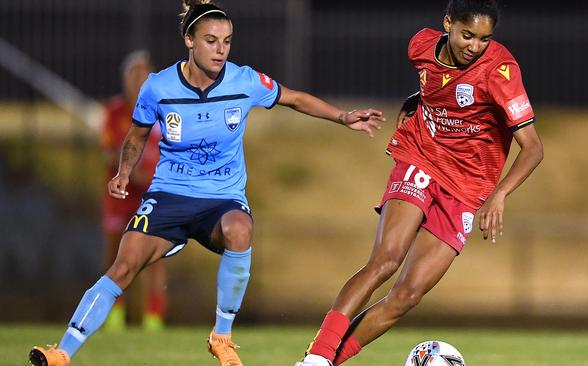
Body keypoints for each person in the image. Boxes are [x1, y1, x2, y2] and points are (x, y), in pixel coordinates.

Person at [28, 1, 384, 366]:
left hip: (221, 199)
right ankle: (62, 352)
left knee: (240, 229)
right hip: (169, 195)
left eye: (226, 41)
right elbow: (136, 135)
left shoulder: (243, 81)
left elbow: (293, 98)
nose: (221, 50)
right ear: (189, 41)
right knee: (122, 267)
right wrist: (123, 171)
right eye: (211, 41)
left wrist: (343, 117)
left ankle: (222, 337)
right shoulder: (159, 86)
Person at [296, 0, 543, 365]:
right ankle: (316, 358)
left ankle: (329, 361)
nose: (474, 46)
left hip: (469, 187)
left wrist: (500, 194)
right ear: (448, 24)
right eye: (467, 35)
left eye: (484, 39)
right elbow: (437, 86)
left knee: (407, 295)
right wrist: (419, 99)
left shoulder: (500, 71)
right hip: (421, 157)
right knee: (385, 260)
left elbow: (533, 148)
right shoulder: (421, 46)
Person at [100, 50, 167, 332]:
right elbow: (106, 150)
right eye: (134, 74)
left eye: (144, 75)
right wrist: (127, 170)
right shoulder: (115, 111)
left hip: (151, 194)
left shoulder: (162, 110)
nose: (139, 80)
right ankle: (114, 315)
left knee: (155, 256)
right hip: (122, 194)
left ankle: (154, 318)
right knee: (117, 255)